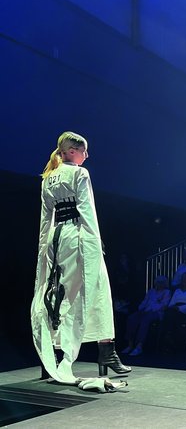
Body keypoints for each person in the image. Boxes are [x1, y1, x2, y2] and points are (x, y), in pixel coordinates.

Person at [31, 132, 131, 384]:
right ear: (72, 151)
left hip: (55, 238)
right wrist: (95, 241)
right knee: (96, 289)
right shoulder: (79, 173)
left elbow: (46, 217)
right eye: (84, 150)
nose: (87, 155)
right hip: (77, 235)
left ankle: (51, 355)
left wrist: (43, 249)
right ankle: (105, 351)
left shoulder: (48, 177)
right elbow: (86, 209)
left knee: (58, 295)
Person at [121, 276, 171, 357]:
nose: (159, 284)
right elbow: (145, 301)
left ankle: (139, 346)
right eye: (158, 282)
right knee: (131, 318)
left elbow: (164, 305)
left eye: (161, 283)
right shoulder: (151, 291)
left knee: (145, 321)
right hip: (144, 311)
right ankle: (130, 345)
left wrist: (151, 309)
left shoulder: (167, 292)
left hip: (157, 313)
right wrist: (141, 308)